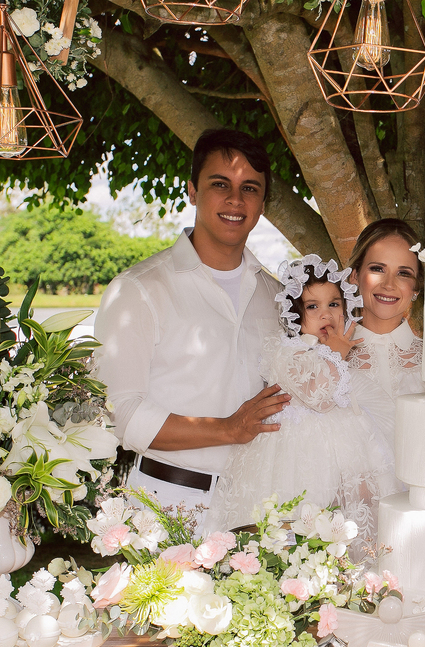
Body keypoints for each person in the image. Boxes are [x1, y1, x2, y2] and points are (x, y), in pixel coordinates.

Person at [93, 128, 289, 530]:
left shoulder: (279, 297)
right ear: (193, 192)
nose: (236, 200)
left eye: (250, 188)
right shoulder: (138, 290)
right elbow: (120, 414)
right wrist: (228, 429)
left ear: (262, 204)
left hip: (260, 510)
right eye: (221, 184)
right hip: (167, 506)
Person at [208, 255, 398, 547]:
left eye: (333, 304)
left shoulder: (335, 350)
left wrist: (335, 353)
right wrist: (336, 354)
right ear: (296, 315)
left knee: (349, 514)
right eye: (313, 307)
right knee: (294, 522)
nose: (326, 315)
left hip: (338, 447)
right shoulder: (288, 352)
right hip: (294, 455)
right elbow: (317, 397)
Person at [345, 219, 425, 447]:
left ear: (415, 289)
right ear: (355, 275)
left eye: (404, 273)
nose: (389, 284)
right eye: (378, 269)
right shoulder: (328, 359)